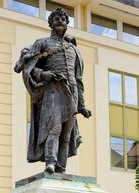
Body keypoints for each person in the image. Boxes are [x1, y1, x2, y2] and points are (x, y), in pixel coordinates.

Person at [14, 7, 91, 174]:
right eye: (56, 19)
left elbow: (78, 79)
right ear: (50, 23)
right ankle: (50, 162)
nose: (60, 21)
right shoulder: (42, 43)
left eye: (63, 19)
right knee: (53, 128)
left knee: (66, 135)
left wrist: (82, 106)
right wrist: (44, 74)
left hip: (72, 94)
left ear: (67, 23)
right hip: (53, 91)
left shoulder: (73, 49)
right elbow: (28, 67)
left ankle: (61, 168)